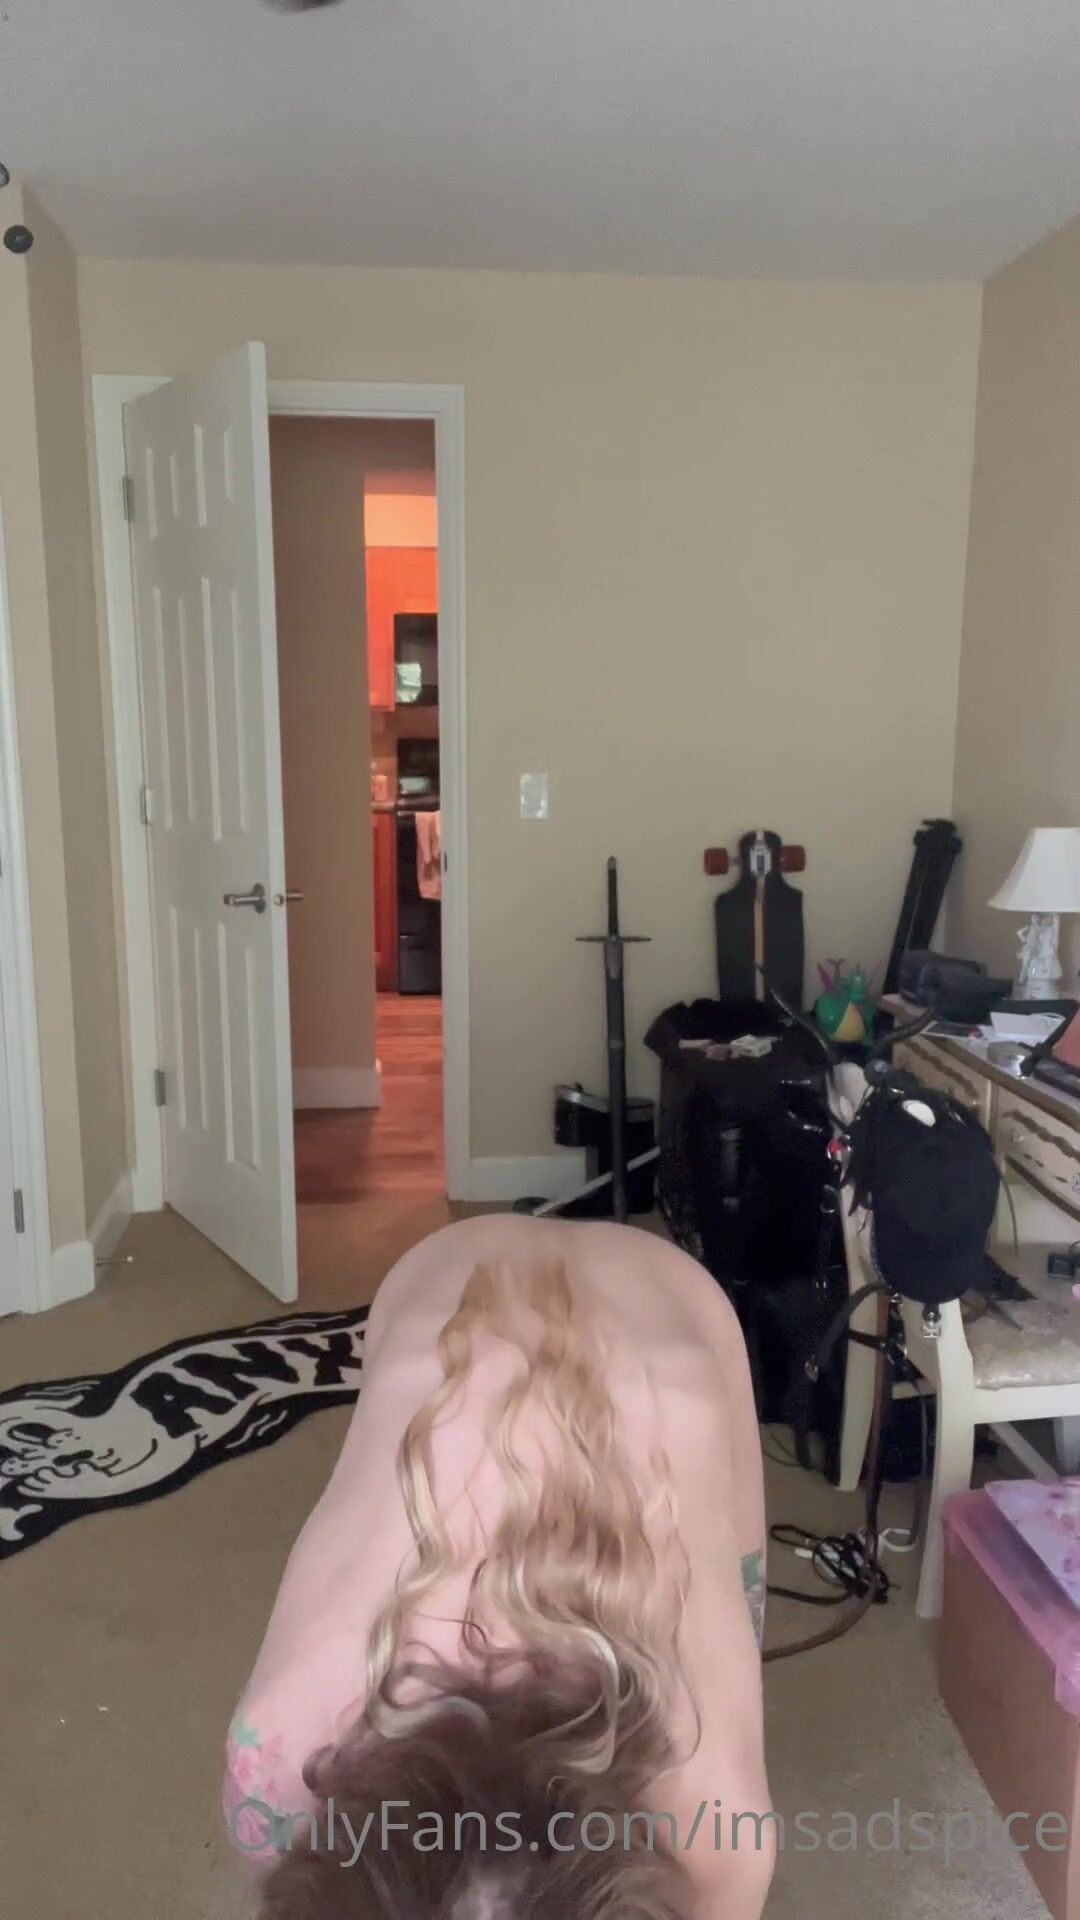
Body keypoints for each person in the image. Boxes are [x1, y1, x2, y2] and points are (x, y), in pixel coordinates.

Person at [224, 1213, 774, 1919]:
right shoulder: (724, 1833)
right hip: (510, 1306)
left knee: (725, 1612)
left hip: (622, 1307)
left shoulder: (277, 1766)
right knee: (721, 1632)